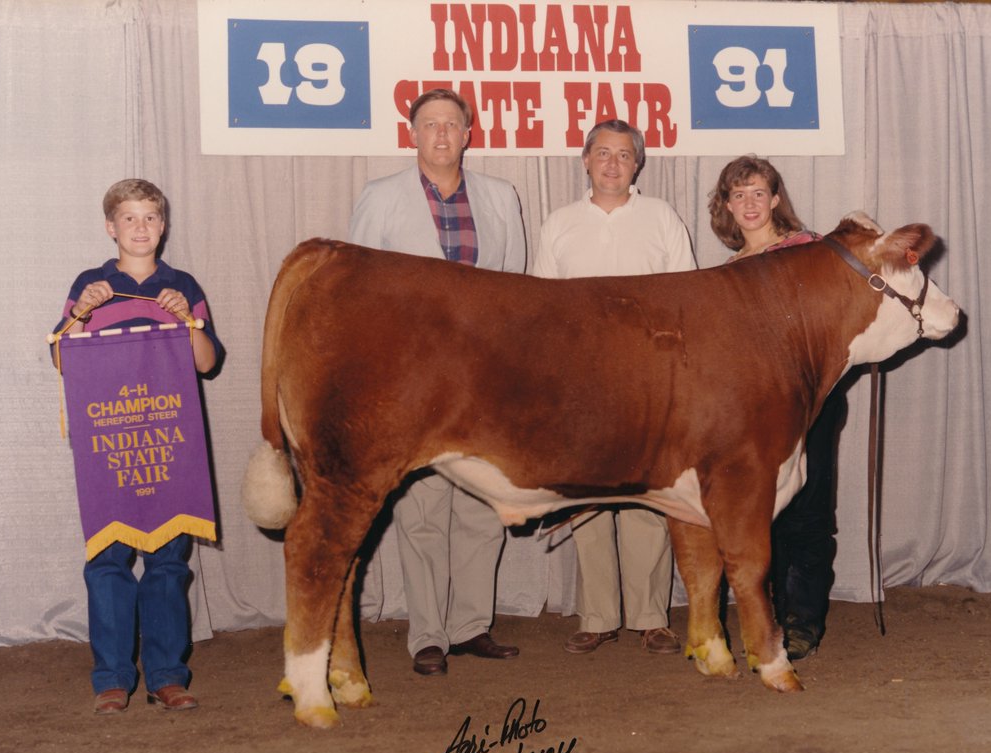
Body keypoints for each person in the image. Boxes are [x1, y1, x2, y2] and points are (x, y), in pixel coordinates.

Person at [347, 87, 525, 677]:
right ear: (413, 134)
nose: (442, 134)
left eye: (452, 124)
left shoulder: (500, 196)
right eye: (430, 124)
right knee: (422, 507)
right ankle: (427, 634)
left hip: (484, 377)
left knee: (481, 503)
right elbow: (361, 290)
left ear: (468, 134)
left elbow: (515, 288)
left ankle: (471, 626)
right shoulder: (381, 196)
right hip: (415, 378)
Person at [55, 178, 224, 714]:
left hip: (168, 442)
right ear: (111, 227)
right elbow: (61, 359)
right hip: (110, 443)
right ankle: (111, 678)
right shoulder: (90, 284)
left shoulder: (182, 284)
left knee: (169, 563)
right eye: (129, 217)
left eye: (150, 216)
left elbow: (207, 363)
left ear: (163, 225)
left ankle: (167, 675)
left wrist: (186, 318)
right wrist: (81, 314)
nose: (140, 227)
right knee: (107, 562)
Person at [533, 119, 697, 657]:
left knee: (648, 496)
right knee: (589, 498)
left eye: (623, 155)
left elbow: (685, 300)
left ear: (637, 164)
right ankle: (598, 615)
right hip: (581, 384)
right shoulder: (559, 223)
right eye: (602, 153)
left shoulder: (661, 217)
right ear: (585, 160)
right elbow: (542, 310)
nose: (612, 164)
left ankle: (651, 616)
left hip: (649, 382)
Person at [708, 154, 840, 660]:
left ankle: (803, 621)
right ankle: (771, 617)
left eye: (758, 193)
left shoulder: (809, 251)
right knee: (763, 513)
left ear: (776, 199)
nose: (749, 204)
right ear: (726, 204)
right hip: (753, 411)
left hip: (809, 401)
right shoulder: (727, 272)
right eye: (738, 195)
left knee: (807, 509)